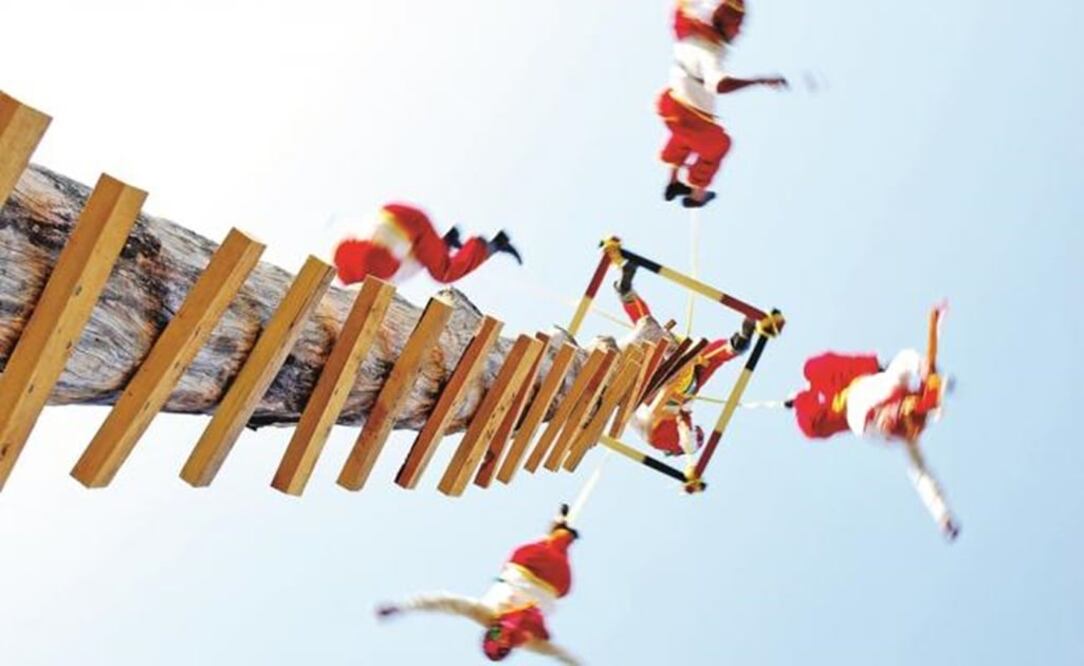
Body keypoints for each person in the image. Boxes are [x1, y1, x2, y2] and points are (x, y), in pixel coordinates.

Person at [788, 342, 960, 540]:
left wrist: (942, 515)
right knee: (811, 367)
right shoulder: (895, 385)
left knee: (811, 426)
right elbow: (905, 358)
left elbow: (922, 474)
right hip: (853, 380)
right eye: (893, 416)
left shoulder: (907, 435)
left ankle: (804, 398)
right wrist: (922, 366)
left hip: (845, 412)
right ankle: (814, 391)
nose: (888, 422)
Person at [376, 504, 582, 664]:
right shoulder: (518, 634)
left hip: (541, 573)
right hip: (544, 575)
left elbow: (445, 602)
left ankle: (560, 529)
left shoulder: (490, 616)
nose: (499, 631)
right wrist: (402, 607)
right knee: (549, 547)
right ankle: (560, 530)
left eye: (494, 633)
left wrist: (403, 606)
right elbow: (560, 654)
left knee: (551, 546)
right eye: (500, 636)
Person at [616, 262, 754, 462]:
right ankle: (735, 345)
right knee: (657, 334)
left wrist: (686, 436)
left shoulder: (666, 439)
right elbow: (630, 416)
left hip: (660, 388)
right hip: (666, 380)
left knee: (655, 332)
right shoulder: (674, 420)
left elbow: (636, 417)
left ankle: (626, 292)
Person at [659, 0, 788, 208]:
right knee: (719, 145)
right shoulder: (708, 51)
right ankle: (696, 195)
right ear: (727, 23)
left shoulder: (690, 34)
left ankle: (673, 181)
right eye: (738, 25)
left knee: (685, 138)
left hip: (673, 106)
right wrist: (760, 80)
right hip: (689, 113)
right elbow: (720, 84)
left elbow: (685, 6)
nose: (739, 31)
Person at [333, 202, 521, 285]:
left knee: (444, 273)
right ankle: (447, 243)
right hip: (395, 215)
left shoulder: (373, 274)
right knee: (424, 262)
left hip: (408, 227)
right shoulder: (345, 259)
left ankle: (489, 245)